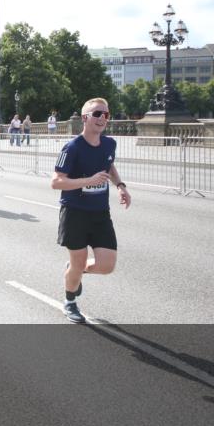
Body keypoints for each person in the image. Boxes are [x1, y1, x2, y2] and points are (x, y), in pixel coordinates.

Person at [51, 97, 131, 324]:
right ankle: (70, 301)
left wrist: (120, 186)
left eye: (106, 114)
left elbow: (109, 164)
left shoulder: (109, 144)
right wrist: (88, 181)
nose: (102, 118)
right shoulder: (72, 147)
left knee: (107, 266)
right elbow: (56, 182)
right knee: (78, 262)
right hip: (74, 212)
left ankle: (74, 270)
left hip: (100, 213)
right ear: (85, 118)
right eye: (97, 113)